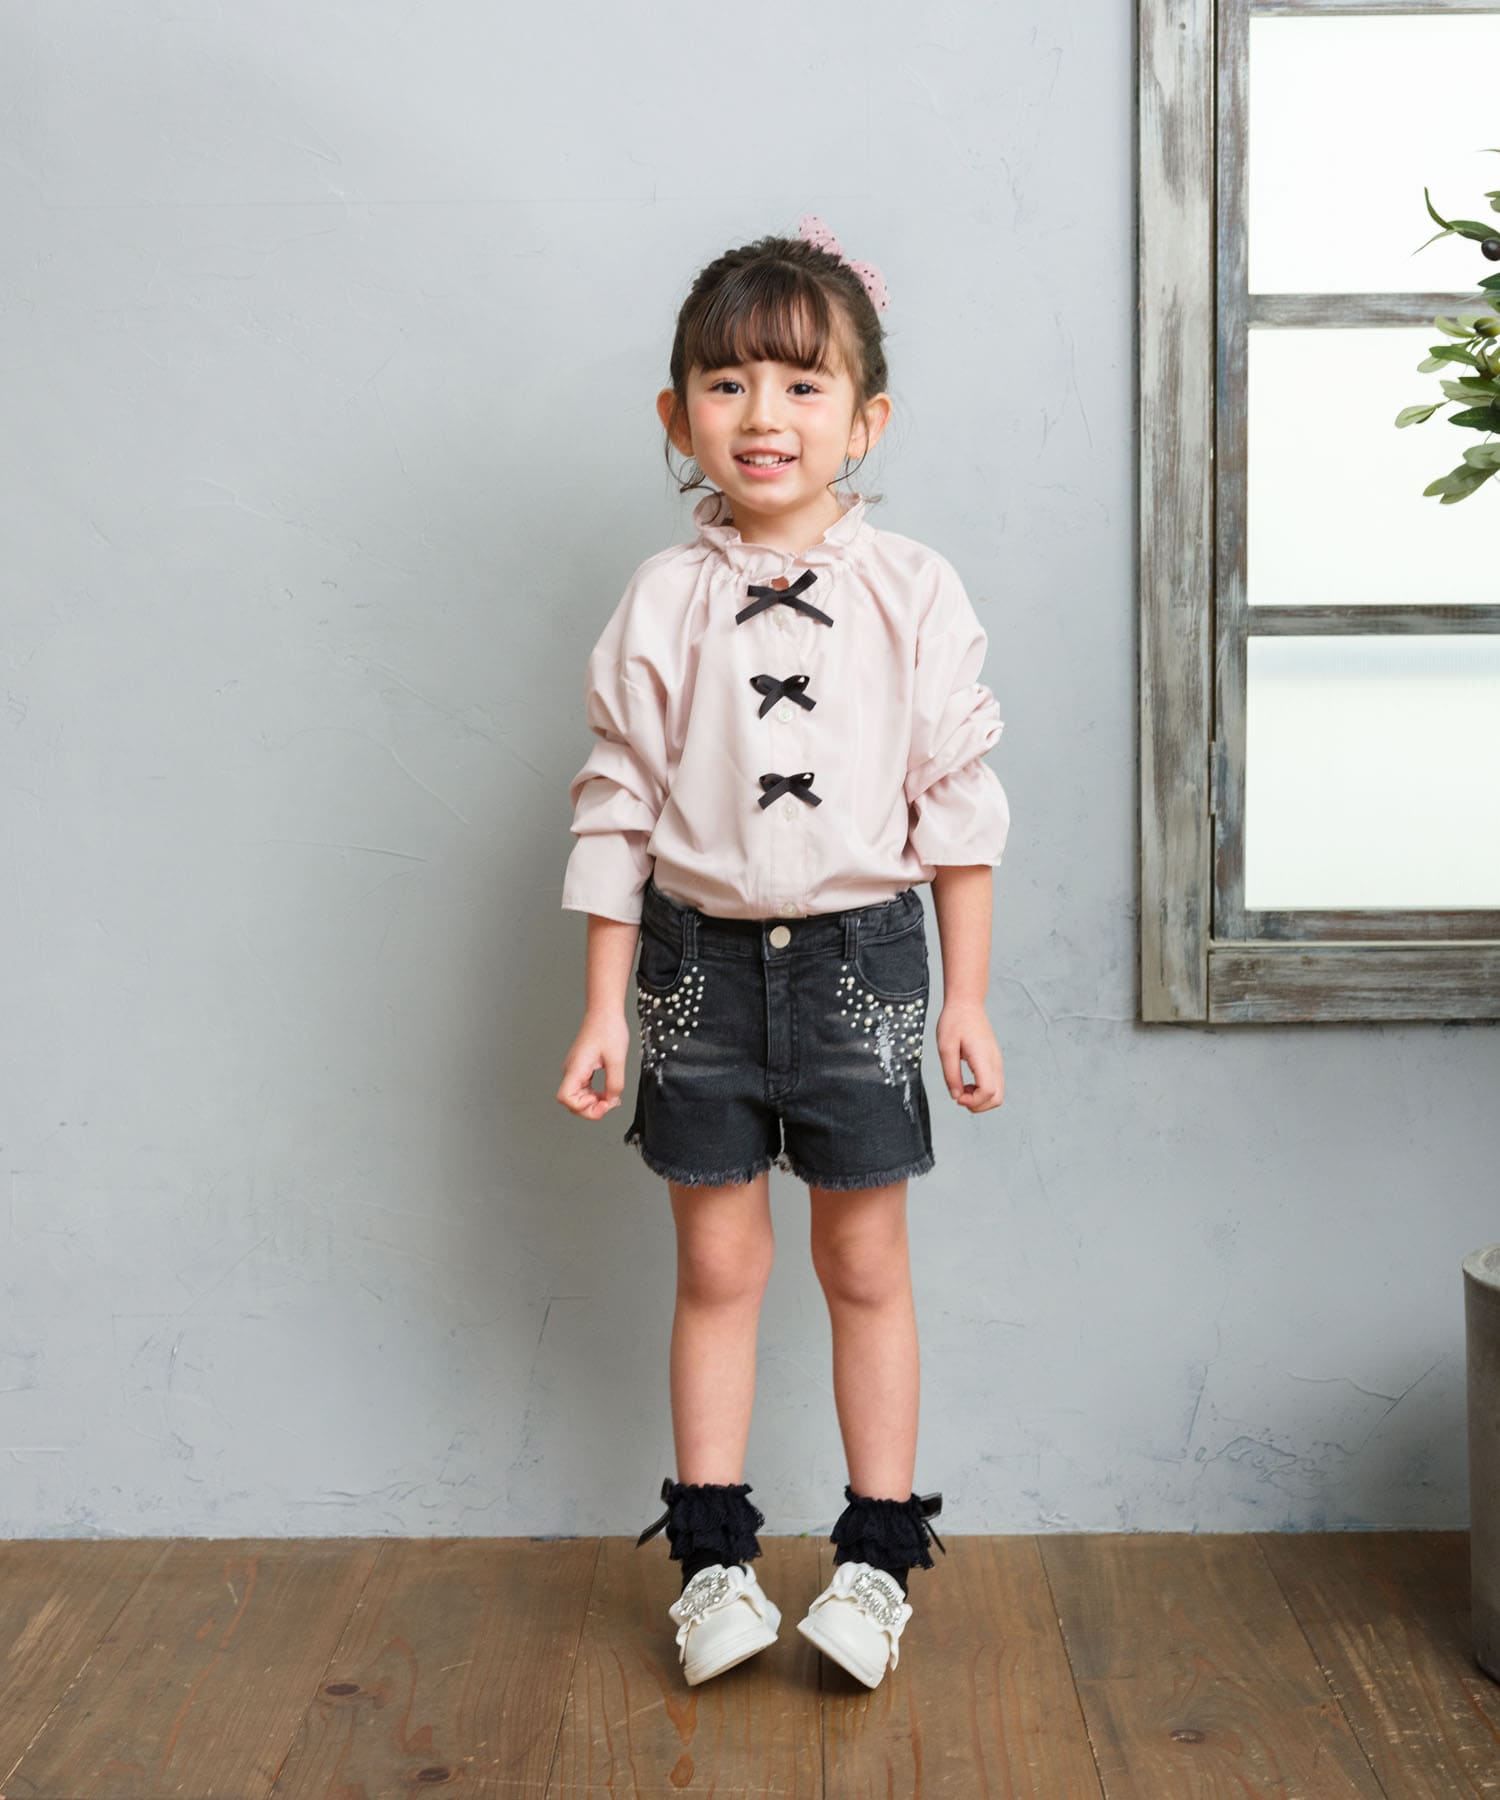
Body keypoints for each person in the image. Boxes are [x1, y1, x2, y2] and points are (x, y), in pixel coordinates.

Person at [554, 216, 1010, 1690]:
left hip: (866, 966)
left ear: (866, 420)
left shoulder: (914, 589)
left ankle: (876, 1564)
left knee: (865, 1261)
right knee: (717, 1264)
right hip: (692, 969)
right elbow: (618, 805)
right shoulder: (661, 599)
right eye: (730, 382)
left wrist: (967, 996)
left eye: (805, 385)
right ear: (678, 414)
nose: (766, 414)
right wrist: (603, 1009)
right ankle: (714, 1569)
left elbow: (957, 804)